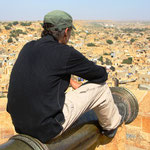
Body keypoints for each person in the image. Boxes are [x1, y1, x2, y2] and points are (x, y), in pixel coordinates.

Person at [7, 10, 126, 143]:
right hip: (47, 128)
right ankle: (111, 127)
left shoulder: (28, 47)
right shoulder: (65, 53)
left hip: (19, 124)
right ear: (66, 31)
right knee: (102, 88)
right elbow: (100, 75)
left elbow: (44, 72)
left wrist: (71, 81)